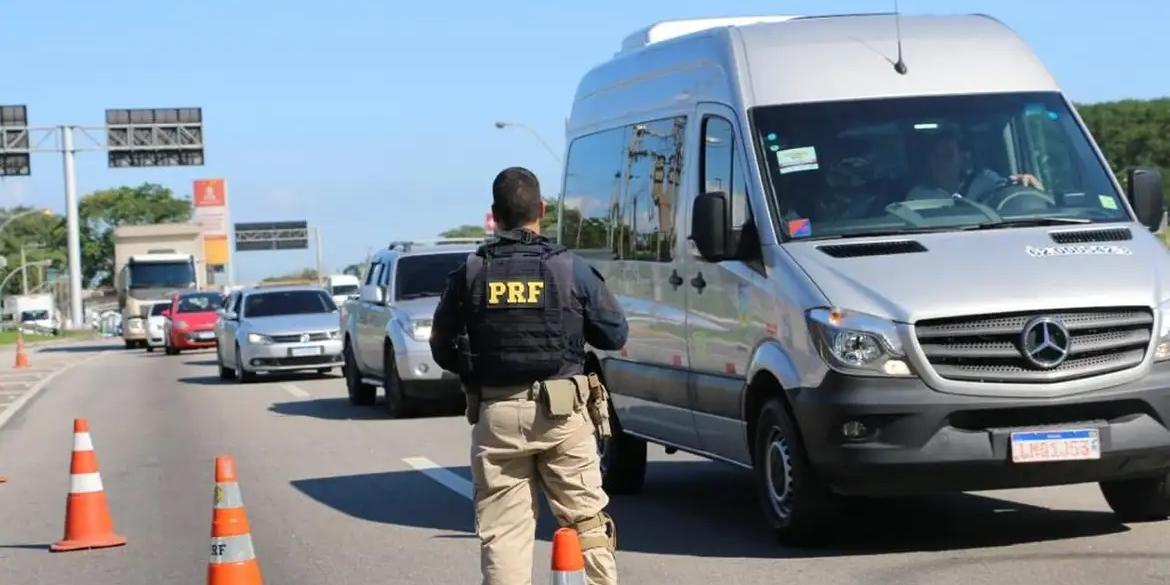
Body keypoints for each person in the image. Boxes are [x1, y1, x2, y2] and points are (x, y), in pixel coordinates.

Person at [430, 166, 628, 585]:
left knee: (504, 536)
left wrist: (480, 368)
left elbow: (440, 347)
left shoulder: (471, 272)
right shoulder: (569, 268)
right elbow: (614, 333)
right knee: (585, 526)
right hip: (562, 414)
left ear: (494, 215)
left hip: (497, 414)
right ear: (541, 209)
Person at [907, 130, 1044, 201]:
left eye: (948, 156)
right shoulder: (918, 196)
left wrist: (1027, 182)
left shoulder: (985, 182)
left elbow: (1009, 192)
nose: (940, 162)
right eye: (935, 156)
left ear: (961, 158)